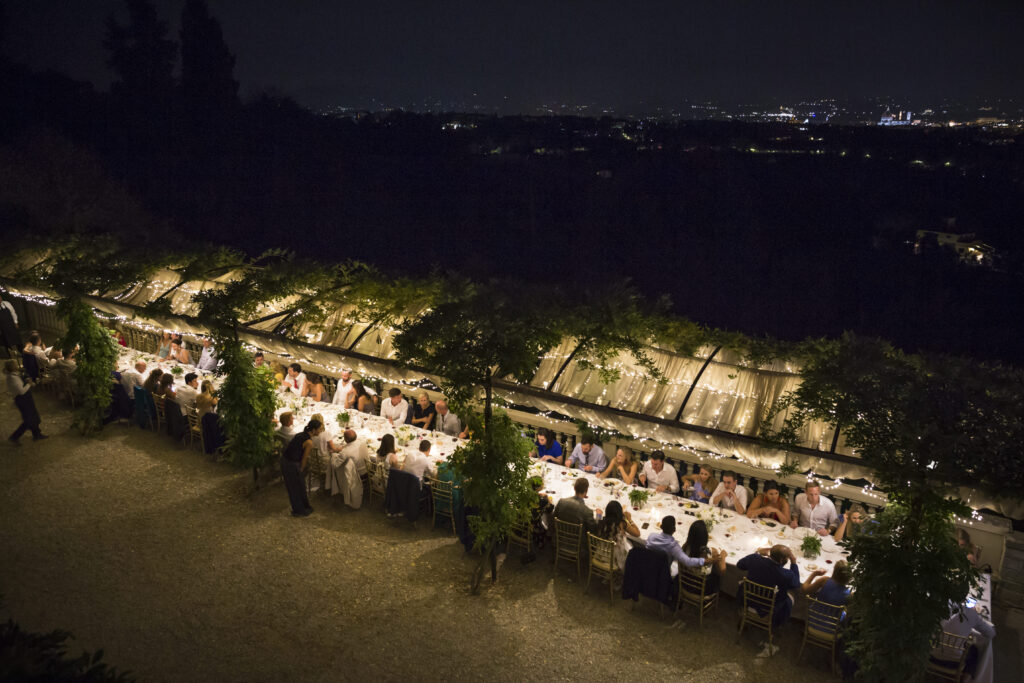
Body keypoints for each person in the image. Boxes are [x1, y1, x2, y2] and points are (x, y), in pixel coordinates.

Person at [737, 544, 802, 653]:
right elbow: (796, 584)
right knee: (791, 595)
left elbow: (740, 565)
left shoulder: (755, 559)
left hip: (748, 599)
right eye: (787, 558)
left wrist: (757, 553)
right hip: (769, 608)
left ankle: (744, 617)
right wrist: (794, 562)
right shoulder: (786, 575)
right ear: (782, 560)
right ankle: (777, 624)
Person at [932, 598, 995, 678]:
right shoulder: (971, 613)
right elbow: (991, 633)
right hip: (953, 663)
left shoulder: (941, 604)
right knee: (974, 650)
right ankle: (966, 678)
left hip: (931, 655)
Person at [281, 418, 322, 516]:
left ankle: (305, 507)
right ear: (313, 430)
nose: (320, 431)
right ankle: (299, 511)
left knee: (300, 487)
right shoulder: (309, 442)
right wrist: (301, 470)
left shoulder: (300, 434)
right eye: (319, 429)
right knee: (295, 488)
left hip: (287, 460)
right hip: (290, 464)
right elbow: (304, 459)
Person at [5, 359, 47, 443]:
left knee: (33, 416)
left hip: (24, 399)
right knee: (28, 420)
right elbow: (21, 391)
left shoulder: (13, 375)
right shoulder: (13, 378)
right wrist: (29, 384)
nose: (17, 365)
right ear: (13, 366)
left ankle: (37, 434)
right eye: (16, 364)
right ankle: (14, 437)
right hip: (22, 399)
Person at [681, 520, 727, 593]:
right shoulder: (711, 551)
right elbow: (722, 571)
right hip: (701, 590)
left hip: (685, 583)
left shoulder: (685, 547)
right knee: (717, 576)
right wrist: (723, 556)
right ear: (706, 536)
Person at [596, 500, 641, 571]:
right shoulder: (622, 524)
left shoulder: (602, 522)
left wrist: (598, 515)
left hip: (601, 553)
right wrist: (630, 519)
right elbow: (637, 534)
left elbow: (597, 521)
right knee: (633, 545)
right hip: (615, 557)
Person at [330, 429, 370, 508]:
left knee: (339, 469)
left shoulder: (345, 452)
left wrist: (334, 453)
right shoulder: (362, 443)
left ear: (345, 439)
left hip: (357, 475)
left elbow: (334, 465)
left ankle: (339, 489)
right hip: (368, 470)